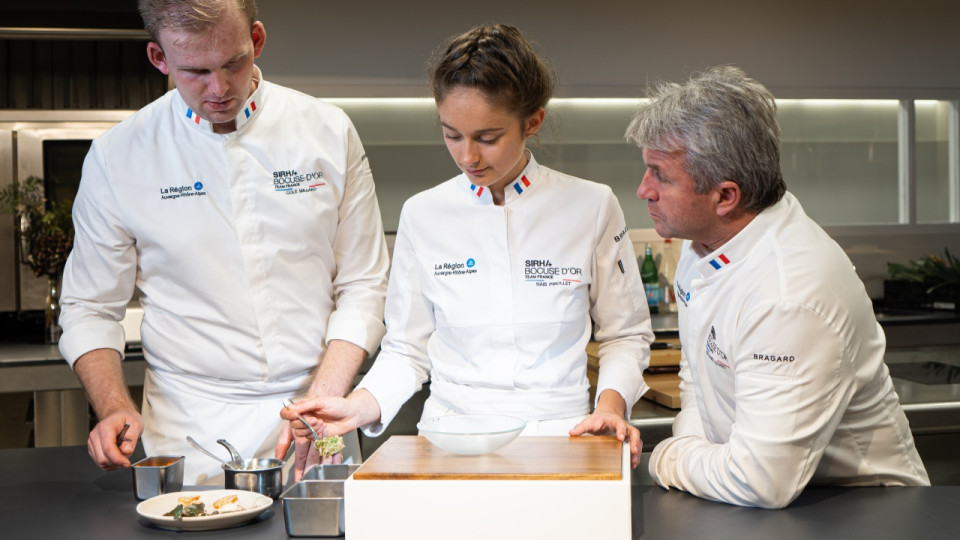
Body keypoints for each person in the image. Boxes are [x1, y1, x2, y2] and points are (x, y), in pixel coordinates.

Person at [283, 24, 653, 476]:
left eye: (487, 137)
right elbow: (406, 348)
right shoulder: (423, 214)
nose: (467, 157)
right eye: (452, 135)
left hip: (563, 434)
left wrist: (611, 405)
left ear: (532, 121)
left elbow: (625, 335)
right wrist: (359, 406)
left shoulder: (592, 206)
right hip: (450, 438)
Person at [58, 0, 389, 484]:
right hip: (191, 427)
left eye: (233, 63)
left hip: (319, 407)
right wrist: (112, 406)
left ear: (256, 40)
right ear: (159, 58)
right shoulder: (118, 156)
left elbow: (363, 283)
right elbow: (89, 305)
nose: (219, 89)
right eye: (195, 71)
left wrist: (324, 401)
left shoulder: (327, 131)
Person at [625, 66, 930, 508]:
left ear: (726, 196)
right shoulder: (704, 249)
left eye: (660, 175)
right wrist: (693, 448)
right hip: (753, 496)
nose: (643, 190)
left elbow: (759, 481)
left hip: (860, 508)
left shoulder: (788, 294)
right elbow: (698, 376)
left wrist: (666, 459)